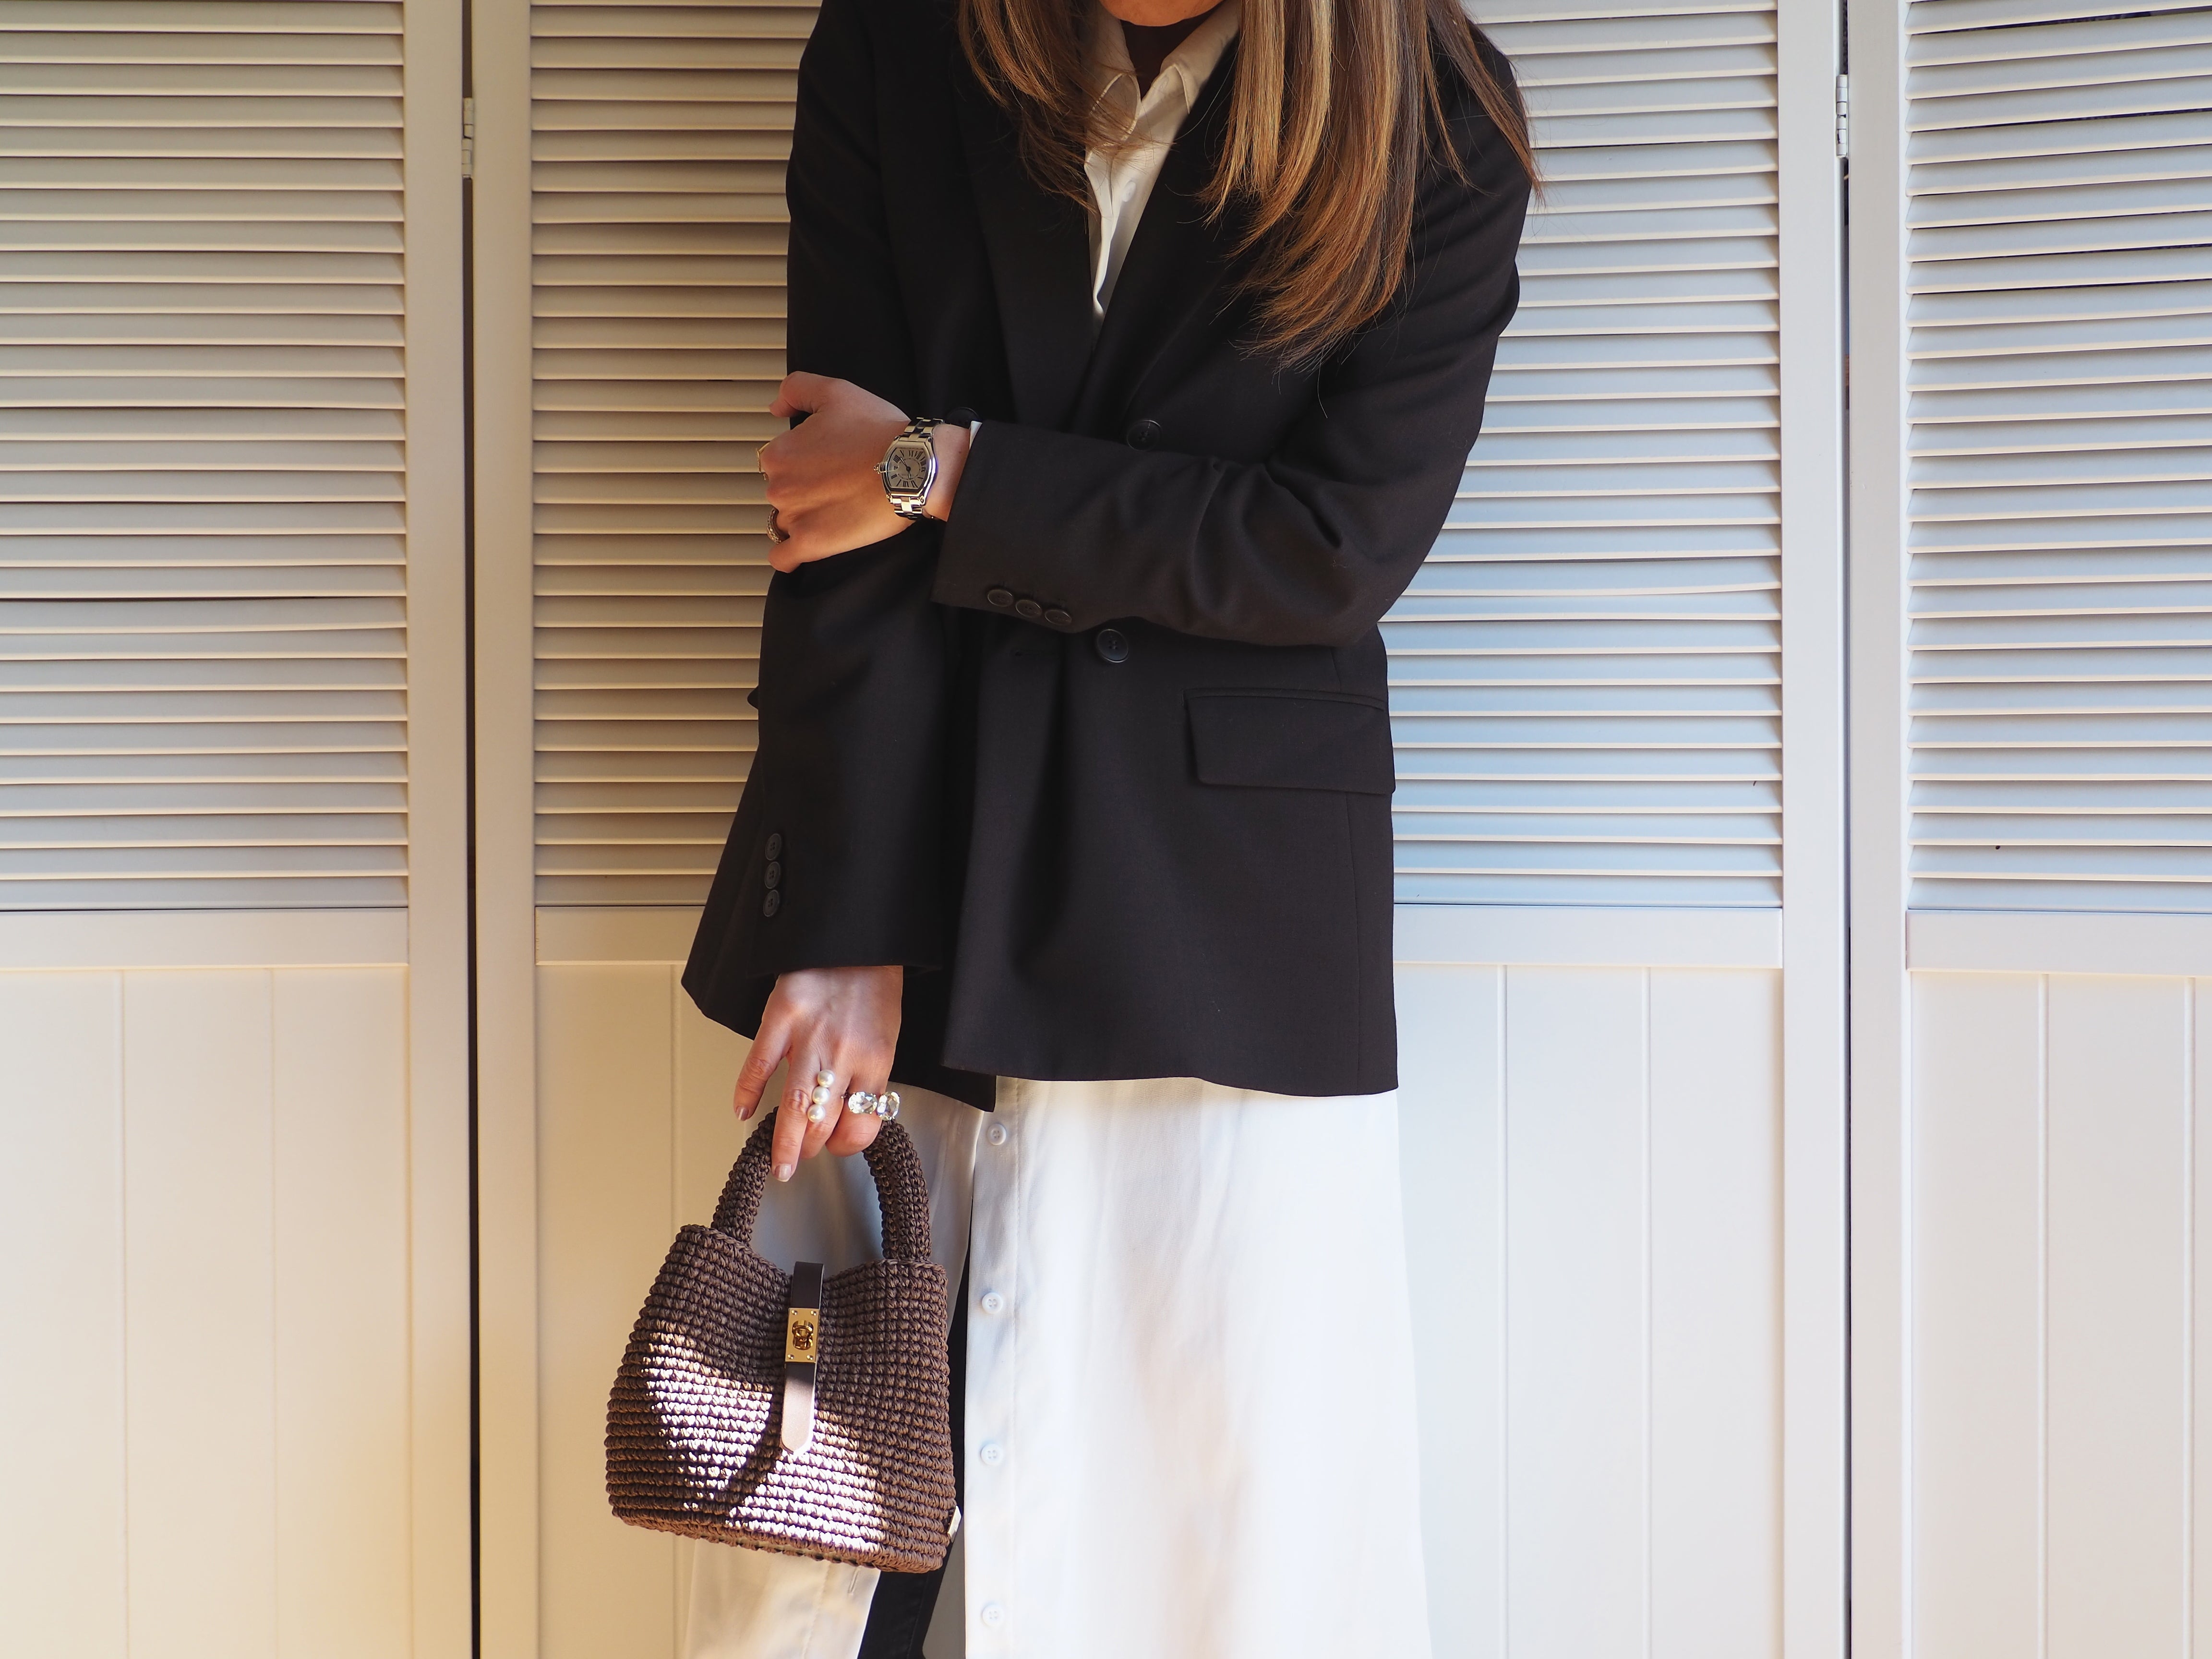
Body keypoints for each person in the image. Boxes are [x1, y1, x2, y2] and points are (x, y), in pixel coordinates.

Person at [678, 0, 1532, 1645]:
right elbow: (828, 504)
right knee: (834, 1547)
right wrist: (843, 920)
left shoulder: (1436, 115)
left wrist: (948, 473)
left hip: (1216, 922)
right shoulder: (898, 45)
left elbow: (1327, 550)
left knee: (1215, 1542)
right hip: (920, 869)